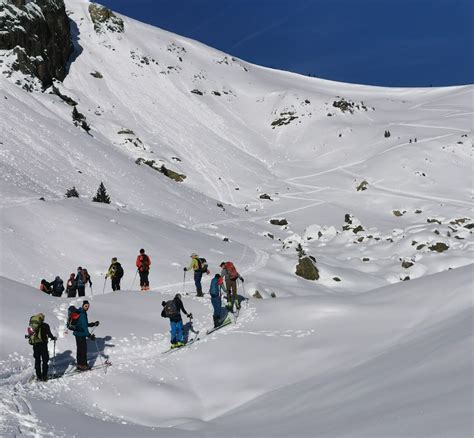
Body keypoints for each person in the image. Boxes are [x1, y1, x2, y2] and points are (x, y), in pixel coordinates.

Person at [72, 300, 99, 370]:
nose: (87, 307)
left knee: (79, 349)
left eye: (88, 306)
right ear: (83, 305)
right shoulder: (83, 314)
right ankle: (83, 365)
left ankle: (79, 364)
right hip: (81, 334)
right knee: (83, 350)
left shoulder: (80, 312)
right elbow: (84, 327)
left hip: (77, 333)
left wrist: (93, 324)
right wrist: (89, 336)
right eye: (86, 306)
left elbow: (85, 324)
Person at [29, 313, 57, 381]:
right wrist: (53, 338)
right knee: (45, 360)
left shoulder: (32, 325)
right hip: (43, 345)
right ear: (42, 318)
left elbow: (30, 334)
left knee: (37, 360)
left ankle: (39, 376)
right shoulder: (45, 325)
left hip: (35, 345)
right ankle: (44, 376)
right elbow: (49, 334)